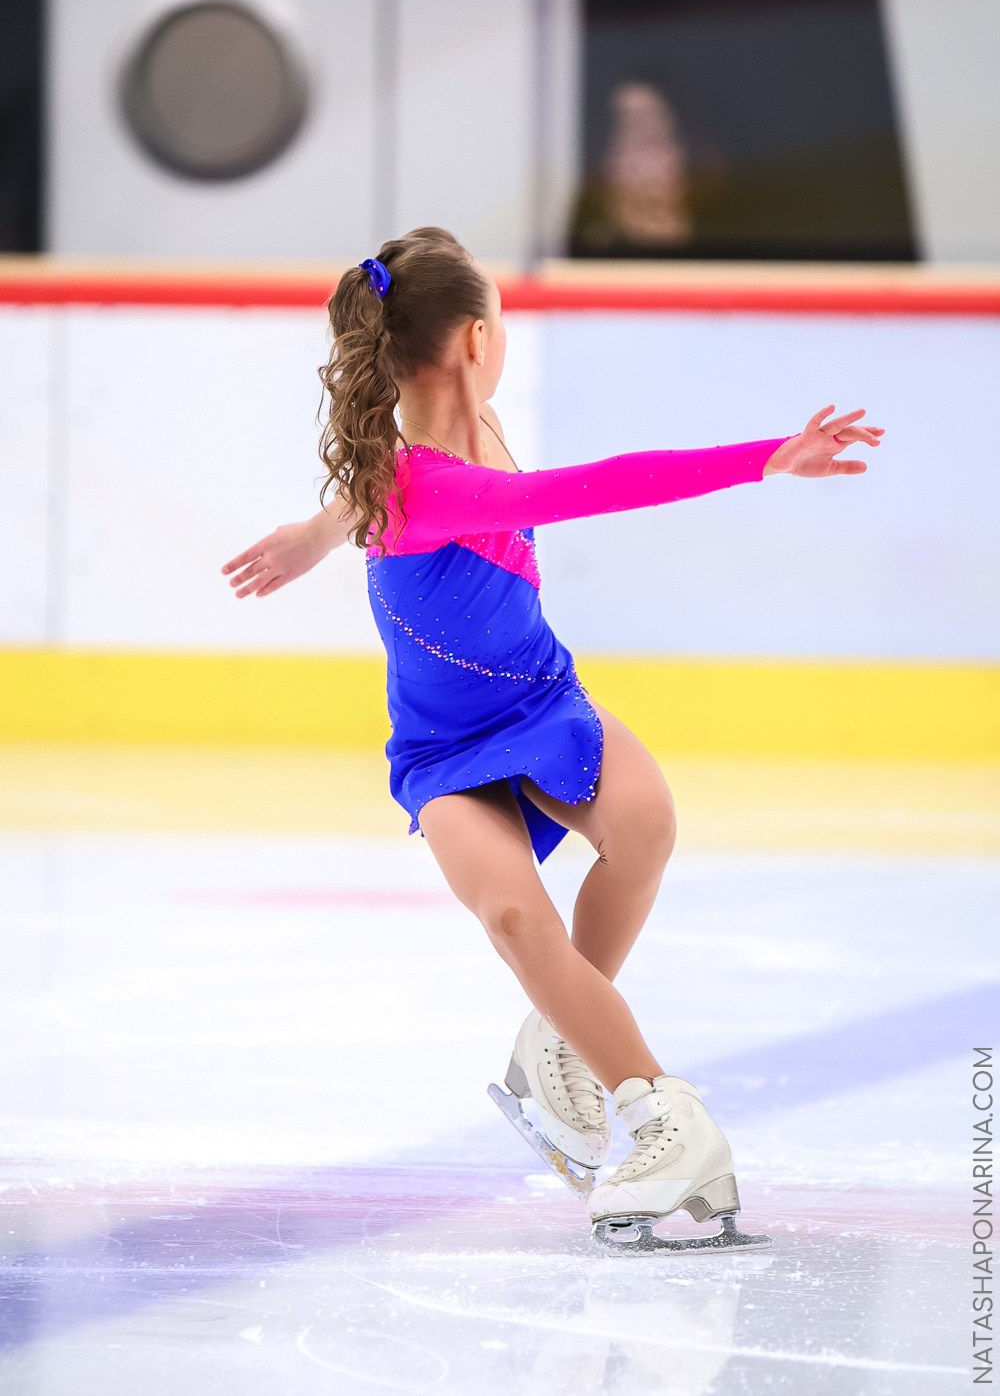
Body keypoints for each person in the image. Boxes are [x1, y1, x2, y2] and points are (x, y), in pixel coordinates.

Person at [221, 226, 883, 1249]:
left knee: (647, 825)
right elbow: (589, 486)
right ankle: (657, 1112)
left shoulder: (452, 432)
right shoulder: (423, 477)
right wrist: (764, 461)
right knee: (518, 920)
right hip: (445, 758)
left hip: (541, 701)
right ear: (478, 339)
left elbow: (370, 484)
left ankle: (557, 1042)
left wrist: (317, 532)